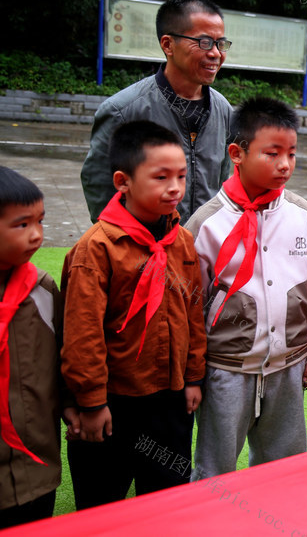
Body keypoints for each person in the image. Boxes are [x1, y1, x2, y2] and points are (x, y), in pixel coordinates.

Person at [61, 121, 206, 509]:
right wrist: (91, 403)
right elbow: (81, 333)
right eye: (161, 177)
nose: (175, 187)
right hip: (114, 403)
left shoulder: (182, 240)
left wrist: (193, 376)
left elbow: (194, 313)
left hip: (171, 400)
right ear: (123, 181)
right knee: (101, 502)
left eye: (181, 175)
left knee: (166, 501)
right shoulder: (97, 249)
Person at [185, 97, 307, 480]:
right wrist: (192, 373)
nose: (285, 165)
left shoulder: (302, 215)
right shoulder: (206, 225)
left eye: (292, 154)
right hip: (224, 370)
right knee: (215, 470)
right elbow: (188, 308)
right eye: (272, 153)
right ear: (237, 152)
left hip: (289, 365)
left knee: (284, 468)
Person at [81, 0, 234, 224]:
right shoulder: (122, 111)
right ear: (168, 44)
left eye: (220, 43)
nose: (215, 53)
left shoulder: (223, 110)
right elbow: (99, 187)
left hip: (200, 251)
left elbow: (221, 184)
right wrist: (122, 244)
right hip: (144, 251)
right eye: (203, 42)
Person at [0, 168, 76, 528]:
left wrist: (73, 404)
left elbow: (63, 354)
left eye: (41, 222)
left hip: (36, 466)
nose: (37, 236)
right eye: (21, 225)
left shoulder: (41, 289)